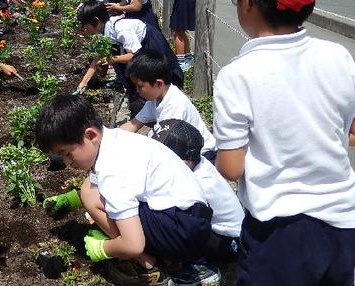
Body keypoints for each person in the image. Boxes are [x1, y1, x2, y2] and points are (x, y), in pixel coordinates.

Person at [213, 0, 355, 286]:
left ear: (246, 0)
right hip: (343, 224)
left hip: (278, 233)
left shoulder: (238, 75)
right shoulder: (339, 56)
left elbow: (232, 168)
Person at [36, 95, 214, 286]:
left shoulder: (112, 170)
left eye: (68, 154)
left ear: (90, 135)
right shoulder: (116, 139)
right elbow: (95, 183)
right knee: (89, 189)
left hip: (183, 232)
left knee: (90, 195)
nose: (67, 163)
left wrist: (103, 248)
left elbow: (134, 244)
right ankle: (164, 255)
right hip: (193, 219)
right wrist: (73, 198)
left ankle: (149, 267)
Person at [151, 119, 243, 266]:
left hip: (229, 241)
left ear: (185, 162)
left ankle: (198, 266)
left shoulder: (199, 182)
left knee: (167, 222)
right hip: (220, 231)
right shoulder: (198, 164)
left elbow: (190, 221)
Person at [75, 0, 183, 118]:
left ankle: (162, 110)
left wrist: (114, 59)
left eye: (86, 27)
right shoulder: (101, 33)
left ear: (96, 20)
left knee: (156, 73)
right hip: (134, 50)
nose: (85, 30)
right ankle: (142, 108)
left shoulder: (121, 29)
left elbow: (135, 54)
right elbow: (97, 59)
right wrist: (83, 83)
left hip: (149, 43)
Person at [120, 50, 216, 161]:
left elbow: (160, 145)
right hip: (180, 150)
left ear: (159, 83)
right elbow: (133, 124)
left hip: (201, 155)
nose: (137, 90)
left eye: (140, 86)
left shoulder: (174, 105)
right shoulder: (155, 100)